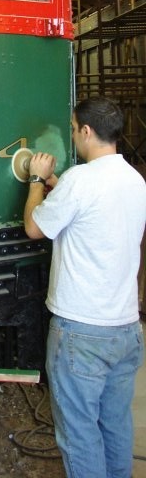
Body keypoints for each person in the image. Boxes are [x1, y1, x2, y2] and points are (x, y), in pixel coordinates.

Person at [24, 96, 146, 478]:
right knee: (115, 426)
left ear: (87, 131)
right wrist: (53, 182)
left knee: (78, 434)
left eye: (75, 129)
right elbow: (90, 207)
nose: (74, 135)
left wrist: (33, 181)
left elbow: (34, 228)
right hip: (125, 329)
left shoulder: (81, 179)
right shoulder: (134, 179)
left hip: (81, 332)